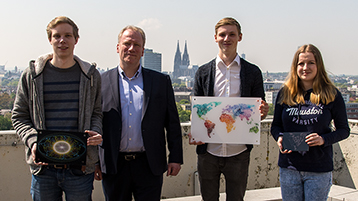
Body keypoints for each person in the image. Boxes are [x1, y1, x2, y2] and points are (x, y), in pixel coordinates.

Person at [11, 16, 103, 200]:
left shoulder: (91, 76)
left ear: (76, 40)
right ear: (50, 40)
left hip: (79, 169)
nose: (62, 40)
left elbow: (97, 113)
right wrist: (33, 141)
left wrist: (95, 130)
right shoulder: (32, 75)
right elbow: (19, 116)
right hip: (43, 168)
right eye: (57, 36)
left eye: (68, 35)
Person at [98, 25, 183, 201]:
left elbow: (172, 123)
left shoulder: (161, 81)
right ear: (117, 47)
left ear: (143, 51)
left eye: (137, 45)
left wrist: (175, 157)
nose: (131, 48)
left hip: (149, 164)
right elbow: (94, 123)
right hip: (114, 164)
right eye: (127, 43)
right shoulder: (101, 82)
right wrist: (94, 162)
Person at [189, 17, 269, 201]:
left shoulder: (253, 72)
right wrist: (195, 131)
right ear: (215, 38)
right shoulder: (202, 72)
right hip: (209, 151)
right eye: (222, 34)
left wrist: (262, 113)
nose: (227, 38)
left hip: (238, 152)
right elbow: (197, 110)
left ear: (240, 37)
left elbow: (257, 113)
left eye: (231, 34)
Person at [270, 44, 350, 201]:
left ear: (318, 65)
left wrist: (323, 140)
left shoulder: (332, 94)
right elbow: (275, 126)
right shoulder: (285, 93)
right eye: (301, 63)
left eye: (311, 63)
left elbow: (344, 130)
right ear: (295, 67)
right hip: (289, 167)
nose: (305, 67)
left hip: (318, 169)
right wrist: (279, 137)